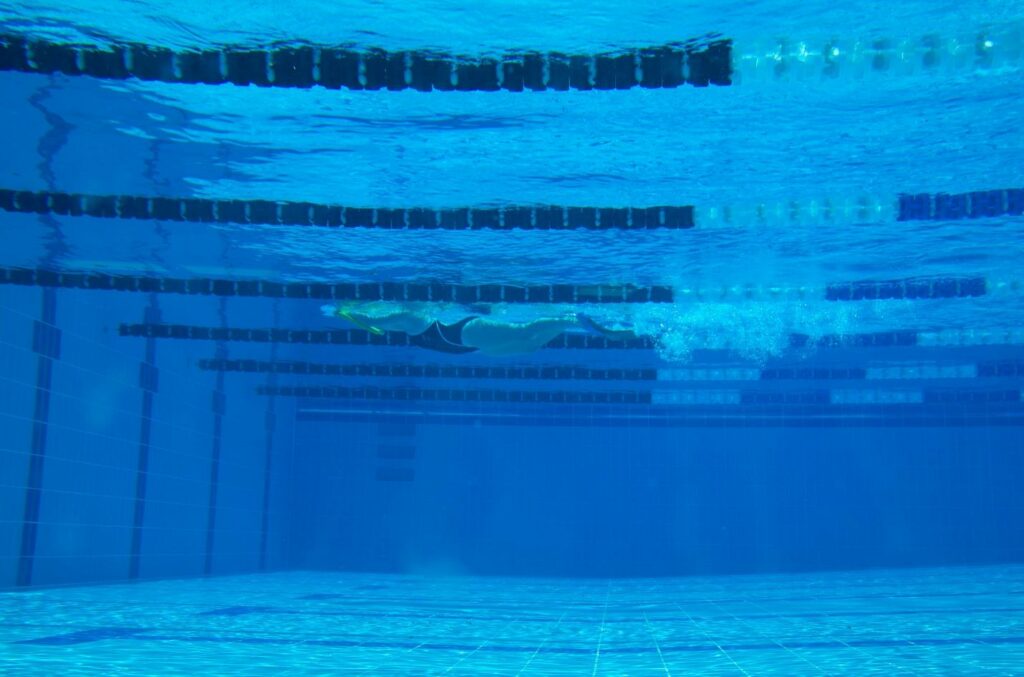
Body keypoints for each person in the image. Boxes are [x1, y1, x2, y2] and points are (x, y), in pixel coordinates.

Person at [321, 301, 634, 355]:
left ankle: (573, 319)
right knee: (528, 346)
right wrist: (349, 314)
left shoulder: (408, 316)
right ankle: (570, 323)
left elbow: (375, 322)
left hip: (458, 334)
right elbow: (375, 322)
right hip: (462, 343)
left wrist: (344, 313)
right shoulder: (408, 315)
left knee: (523, 332)